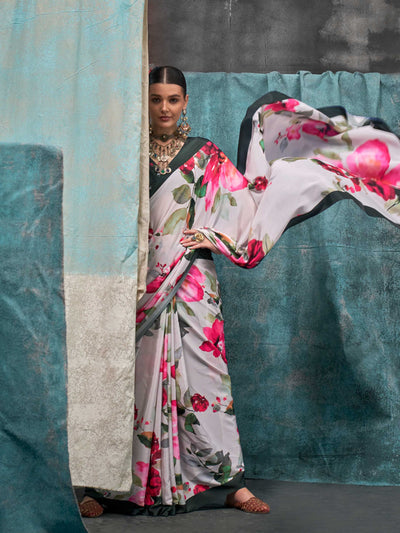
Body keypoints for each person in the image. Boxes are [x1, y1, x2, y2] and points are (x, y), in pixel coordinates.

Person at [79, 66, 270, 517]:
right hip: (140, 279)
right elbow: (100, 212)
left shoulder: (204, 154)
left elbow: (245, 211)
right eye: (155, 99)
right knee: (132, 376)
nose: (164, 108)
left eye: (172, 99)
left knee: (206, 376)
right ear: (145, 102)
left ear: (185, 102)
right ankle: (105, 486)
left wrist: (212, 237)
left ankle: (231, 481)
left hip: (192, 280)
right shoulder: (127, 153)